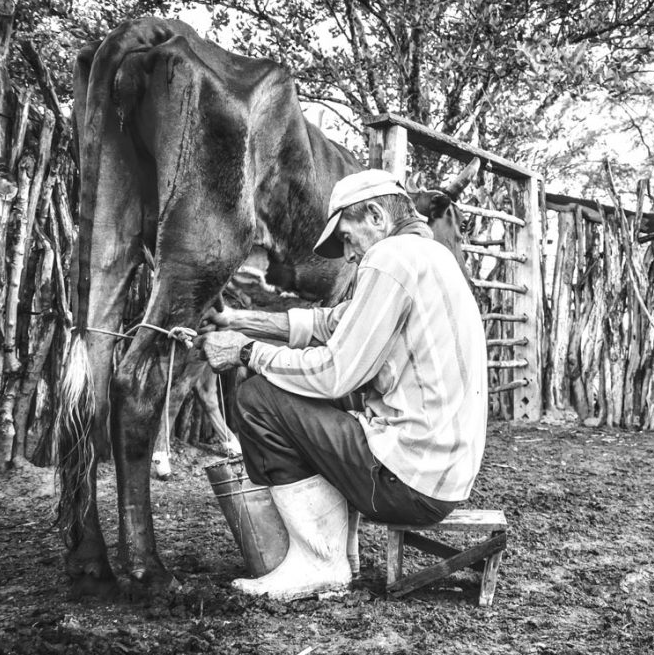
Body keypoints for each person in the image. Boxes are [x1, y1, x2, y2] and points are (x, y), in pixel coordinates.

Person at [195, 169, 488, 601]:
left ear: (375, 215)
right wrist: (238, 320)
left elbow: (334, 371)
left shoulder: (391, 260)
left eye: (348, 239)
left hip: (408, 482)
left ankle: (318, 561)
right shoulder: (429, 257)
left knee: (258, 397)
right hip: (442, 477)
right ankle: (336, 555)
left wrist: (246, 353)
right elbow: (333, 323)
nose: (349, 255)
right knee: (316, 396)